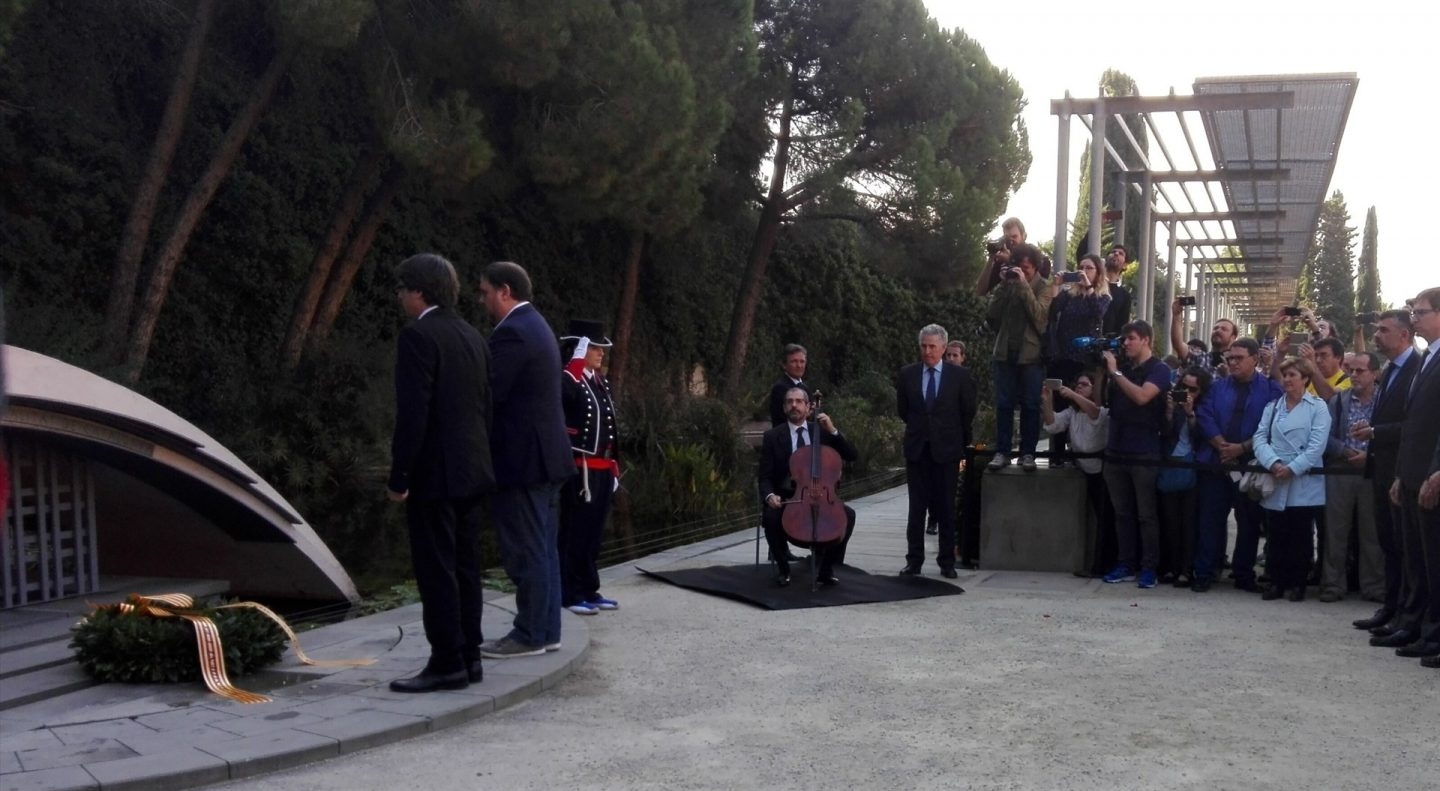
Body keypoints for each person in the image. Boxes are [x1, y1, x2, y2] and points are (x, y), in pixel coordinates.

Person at [385, 253, 494, 693]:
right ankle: (470, 656)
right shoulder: (472, 336)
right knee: (467, 567)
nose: (399, 297)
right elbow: (484, 407)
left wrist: (400, 476)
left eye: (402, 289)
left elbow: (414, 415)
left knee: (437, 569)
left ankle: (446, 660)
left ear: (419, 292)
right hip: (473, 470)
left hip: (436, 474)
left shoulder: (418, 336)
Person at [476, 261, 575, 659]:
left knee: (527, 551)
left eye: (484, 292)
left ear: (504, 290)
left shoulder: (514, 332)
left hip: (524, 462)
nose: (482, 300)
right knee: (544, 550)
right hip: (546, 459)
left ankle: (529, 634)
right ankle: (546, 630)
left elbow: (489, 394)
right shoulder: (537, 325)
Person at [1349, 309, 1422, 633]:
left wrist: (1377, 432)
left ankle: (1409, 614)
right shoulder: (1391, 369)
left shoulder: (1418, 369)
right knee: (1388, 544)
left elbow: (1417, 426)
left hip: (1402, 470)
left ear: (1404, 335)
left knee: (1406, 549)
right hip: (1382, 471)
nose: (1376, 335)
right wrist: (1374, 427)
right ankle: (1390, 608)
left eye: (1383, 330)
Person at [1191, 338, 1283, 593]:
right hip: (1216, 463)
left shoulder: (1271, 390)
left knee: (1249, 523)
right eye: (1230, 358)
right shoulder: (1217, 387)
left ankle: (1243, 574)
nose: (1232, 363)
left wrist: (1241, 448)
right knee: (1210, 520)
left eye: (1239, 358)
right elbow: (1204, 415)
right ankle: (1206, 572)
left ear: (1255, 359)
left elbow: (1273, 424)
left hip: (1251, 465)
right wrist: (1222, 445)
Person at [1384, 289, 1440, 665]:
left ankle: (1435, 635)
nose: (1414, 318)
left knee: (1435, 559)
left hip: (1433, 475)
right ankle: (1416, 623)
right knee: (1416, 557)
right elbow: (1413, 424)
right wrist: (1401, 474)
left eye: (1420, 312)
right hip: (1413, 472)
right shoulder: (1426, 359)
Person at [896, 324, 976, 579]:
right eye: (924, 346)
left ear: (943, 348)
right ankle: (914, 560)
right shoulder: (908, 374)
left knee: (945, 508)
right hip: (918, 449)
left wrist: (956, 440)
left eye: (932, 346)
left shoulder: (959, 376)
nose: (928, 351)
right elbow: (903, 410)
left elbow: (967, 411)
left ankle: (947, 561)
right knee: (916, 509)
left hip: (947, 450)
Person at [759, 387, 859, 587]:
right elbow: (764, 477)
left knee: (848, 515)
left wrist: (833, 430)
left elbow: (852, 455)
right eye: (789, 401)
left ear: (808, 407)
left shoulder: (821, 431)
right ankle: (783, 569)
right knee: (770, 518)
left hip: (821, 496)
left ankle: (826, 569)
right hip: (788, 498)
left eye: (798, 401)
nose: (793, 405)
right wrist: (770, 496)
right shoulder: (772, 436)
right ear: (784, 407)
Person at [1098, 320, 1172, 589]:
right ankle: (1125, 563)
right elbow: (1100, 403)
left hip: (1144, 453)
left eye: (1130, 338)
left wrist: (1116, 374)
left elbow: (1142, 397)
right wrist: (1104, 373)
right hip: (1116, 452)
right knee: (1122, 514)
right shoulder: (1122, 369)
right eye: (1124, 339)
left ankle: (1149, 567)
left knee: (1146, 515)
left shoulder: (1160, 370)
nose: (1125, 344)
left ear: (1146, 340)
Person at [1252, 357, 1331, 602]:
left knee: (1301, 535)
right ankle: (1275, 581)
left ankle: (1298, 583)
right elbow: (1259, 437)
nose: (1286, 380)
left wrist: (1293, 468)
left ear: (1305, 379)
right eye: (1284, 375)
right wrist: (1273, 463)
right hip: (1275, 476)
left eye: (1292, 375)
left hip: (1302, 479)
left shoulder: (1317, 407)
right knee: (1276, 533)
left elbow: (1317, 445)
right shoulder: (1273, 407)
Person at [558, 319, 621, 616]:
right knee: (574, 532)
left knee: (594, 533)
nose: (600, 353)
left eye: (600, 348)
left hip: (602, 468)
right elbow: (562, 398)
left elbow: (610, 428)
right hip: (579, 468)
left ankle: (588, 587)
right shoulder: (570, 379)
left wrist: (615, 466)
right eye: (594, 347)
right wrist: (573, 365)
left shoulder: (598, 380)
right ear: (579, 348)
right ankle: (569, 592)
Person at [1319, 352, 1382, 603]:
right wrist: (1344, 451)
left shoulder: (1384, 401)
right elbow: (1324, 436)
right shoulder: (1338, 401)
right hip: (1341, 471)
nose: (1353, 375)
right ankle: (1332, 585)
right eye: (1351, 370)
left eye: (1360, 371)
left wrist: (1370, 456)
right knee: (1335, 531)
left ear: (1375, 374)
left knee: (1372, 533)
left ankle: (1375, 587)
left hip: (1372, 471)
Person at [984, 243, 1052, 471]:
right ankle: (1002, 451)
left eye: (1027, 268)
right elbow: (992, 315)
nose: (1022, 271)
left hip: (1031, 356)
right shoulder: (1008, 284)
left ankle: (1028, 453)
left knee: (1031, 405)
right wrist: (1003, 286)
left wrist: (1023, 286)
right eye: (1019, 267)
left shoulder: (1044, 287)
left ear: (1035, 268)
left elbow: (1040, 318)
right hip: (1005, 353)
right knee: (1003, 404)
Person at [1041, 373, 1112, 576]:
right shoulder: (1072, 413)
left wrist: (1072, 394)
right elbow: (1052, 424)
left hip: (1102, 472)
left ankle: (1103, 565)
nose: (1079, 387)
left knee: (1105, 521)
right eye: (1077, 384)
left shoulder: (1102, 411)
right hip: (1085, 471)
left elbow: (1095, 413)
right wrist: (1047, 401)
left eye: (1084, 385)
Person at [1043, 253, 1111, 467]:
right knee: (1061, 401)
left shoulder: (1102, 296)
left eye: (1089, 268)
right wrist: (1056, 285)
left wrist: (1089, 286)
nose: (1083, 271)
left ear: (1098, 272)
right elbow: (1052, 310)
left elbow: (1098, 313)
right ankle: (1057, 453)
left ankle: (1080, 452)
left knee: (1082, 404)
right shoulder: (1069, 294)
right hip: (1062, 355)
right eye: (1080, 267)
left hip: (1084, 359)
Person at [1159, 366, 1211, 586]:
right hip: (1170, 465)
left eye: (1193, 389)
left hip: (1193, 467)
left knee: (1189, 523)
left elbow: (1201, 438)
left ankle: (1186, 569)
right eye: (1183, 387)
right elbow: (1164, 433)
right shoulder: (1169, 403)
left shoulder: (1205, 408)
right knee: (1169, 521)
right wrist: (1170, 411)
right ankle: (1170, 566)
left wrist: (1190, 413)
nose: (1187, 393)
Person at [927, 340, 968, 536]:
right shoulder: (936, 377)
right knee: (934, 484)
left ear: (963, 358)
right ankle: (933, 518)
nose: (951, 359)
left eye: (955, 356)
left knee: (950, 487)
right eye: (948, 355)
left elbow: (968, 412)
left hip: (954, 441)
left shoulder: (965, 380)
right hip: (932, 439)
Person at [974, 217, 1050, 295]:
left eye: (1014, 237)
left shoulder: (1040, 260)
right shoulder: (1001, 262)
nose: (1011, 241)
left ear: (1024, 236)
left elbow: (1036, 288)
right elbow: (980, 291)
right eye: (1007, 238)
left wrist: (1010, 261)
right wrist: (991, 257)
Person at [767, 344, 810, 426]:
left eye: (802, 361)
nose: (799, 366)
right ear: (784, 365)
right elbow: (785, 417)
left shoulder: (805, 388)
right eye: (794, 361)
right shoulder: (780, 388)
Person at [1100, 245, 1133, 336]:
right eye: (1113, 252)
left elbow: (1122, 326)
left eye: (1121, 253)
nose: (1116, 253)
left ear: (1125, 265)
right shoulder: (1093, 284)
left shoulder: (1125, 296)